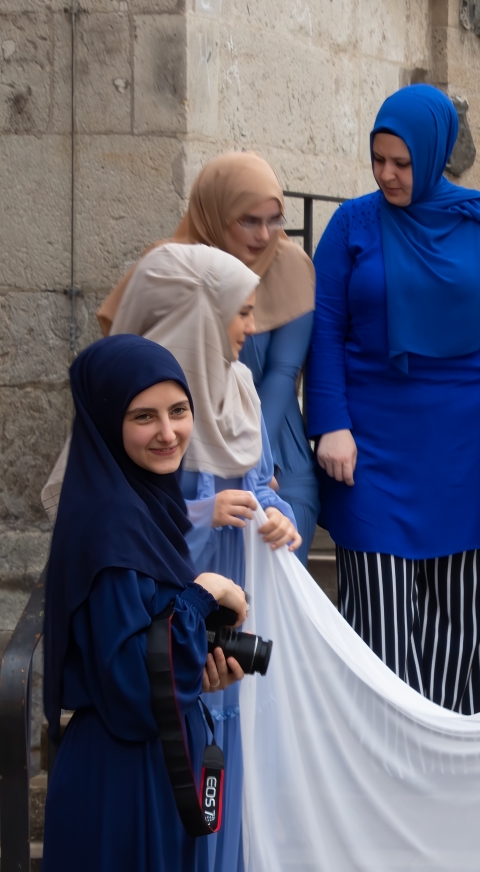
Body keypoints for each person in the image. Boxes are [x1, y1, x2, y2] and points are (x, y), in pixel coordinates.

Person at [306, 84, 480, 715]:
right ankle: (380, 771)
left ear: (434, 154)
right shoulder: (352, 223)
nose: (387, 174)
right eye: (378, 159)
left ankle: (452, 772)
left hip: (469, 443)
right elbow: (324, 328)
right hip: (371, 442)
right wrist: (329, 423)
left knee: (459, 628)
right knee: (376, 626)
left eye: (401, 162)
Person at [108, 242, 298, 872]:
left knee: (222, 735)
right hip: (174, 591)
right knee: (181, 736)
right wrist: (203, 513)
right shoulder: (155, 408)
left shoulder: (240, 387)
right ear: (203, 316)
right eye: (240, 313)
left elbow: (263, 480)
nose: (252, 327)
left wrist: (278, 516)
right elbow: (123, 520)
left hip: (232, 589)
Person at [42, 335, 249, 872]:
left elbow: (144, 648)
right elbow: (133, 686)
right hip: (124, 782)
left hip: (154, 767)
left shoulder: (141, 504)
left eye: (179, 410)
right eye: (143, 416)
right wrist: (205, 592)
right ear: (108, 421)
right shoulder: (111, 524)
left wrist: (197, 671)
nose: (168, 432)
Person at [97, 152, 319, 563]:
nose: (266, 234)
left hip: (268, 450)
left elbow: (282, 373)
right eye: (249, 220)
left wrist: (250, 458)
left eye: (275, 220)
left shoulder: (292, 267)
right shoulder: (170, 267)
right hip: (179, 444)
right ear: (215, 215)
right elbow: (128, 361)